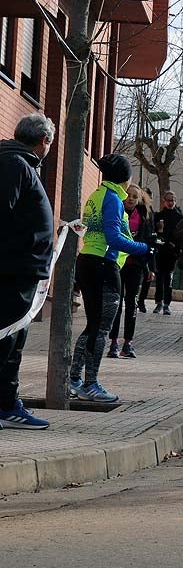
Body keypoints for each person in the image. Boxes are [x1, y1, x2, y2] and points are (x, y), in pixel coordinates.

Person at [71, 154, 150, 403]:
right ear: (124, 179)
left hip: (86, 260)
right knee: (102, 328)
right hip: (105, 266)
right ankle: (91, 384)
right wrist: (144, 247)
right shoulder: (115, 199)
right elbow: (114, 238)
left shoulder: (96, 195)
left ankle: (74, 379)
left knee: (92, 326)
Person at [0, 113, 55, 429]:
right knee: (6, 340)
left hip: (21, 270)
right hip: (13, 271)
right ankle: (5, 405)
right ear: (44, 140)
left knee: (13, 340)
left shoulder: (18, 163)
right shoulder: (15, 165)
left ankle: (8, 404)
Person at [108, 184, 154, 358]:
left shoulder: (144, 216)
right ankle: (113, 342)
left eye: (135, 196)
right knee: (116, 304)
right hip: (117, 263)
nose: (131, 198)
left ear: (139, 199)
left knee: (131, 304)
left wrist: (150, 268)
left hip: (136, 265)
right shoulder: (117, 210)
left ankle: (128, 343)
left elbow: (149, 242)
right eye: (128, 195)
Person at [152, 191, 183, 315]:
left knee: (168, 277)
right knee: (159, 277)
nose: (170, 203)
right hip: (160, 251)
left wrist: (176, 247)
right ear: (164, 201)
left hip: (172, 252)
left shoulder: (179, 218)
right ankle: (159, 301)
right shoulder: (158, 216)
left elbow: (180, 236)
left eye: (172, 200)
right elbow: (154, 234)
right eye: (168, 200)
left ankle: (167, 303)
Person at [137, 187, 155, 312]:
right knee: (141, 273)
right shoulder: (136, 210)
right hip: (139, 247)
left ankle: (141, 300)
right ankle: (138, 299)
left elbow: (150, 230)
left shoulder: (149, 212)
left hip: (147, 247)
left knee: (149, 274)